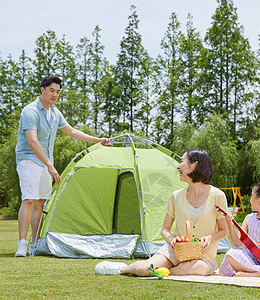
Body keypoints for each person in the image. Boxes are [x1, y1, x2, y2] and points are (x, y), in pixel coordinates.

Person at [15, 76, 111, 257]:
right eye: (52, 90)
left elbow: (72, 131)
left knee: (41, 202)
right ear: (42, 90)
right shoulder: (30, 111)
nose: (55, 94)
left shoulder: (55, 113)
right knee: (29, 199)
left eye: (58, 92)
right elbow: (32, 141)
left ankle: (35, 244)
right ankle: (22, 244)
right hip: (29, 160)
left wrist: (97, 140)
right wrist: (50, 166)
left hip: (45, 162)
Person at [95, 148, 228, 276]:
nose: (178, 166)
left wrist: (210, 239)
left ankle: (164, 269)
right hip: (175, 251)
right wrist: (172, 239)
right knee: (144, 269)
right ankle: (124, 268)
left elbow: (223, 231)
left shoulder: (217, 196)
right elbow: (165, 229)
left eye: (182, 161)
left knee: (199, 268)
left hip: (203, 257)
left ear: (194, 165)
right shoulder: (176, 196)